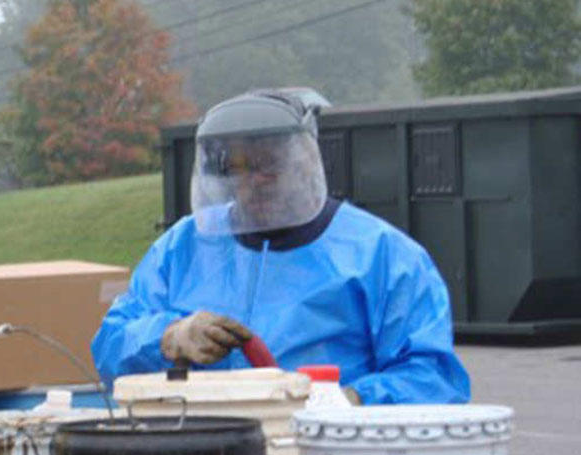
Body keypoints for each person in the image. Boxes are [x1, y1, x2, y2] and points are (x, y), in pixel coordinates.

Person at [92, 88, 470, 404]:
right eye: (239, 166)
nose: (254, 180)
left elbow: (434, 378)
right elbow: (109, 346)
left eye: (269, 164)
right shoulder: (182, 248)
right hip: (204, 449)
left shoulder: (381, 255)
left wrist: (352, 399)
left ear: (305, 163)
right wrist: (169, 336)